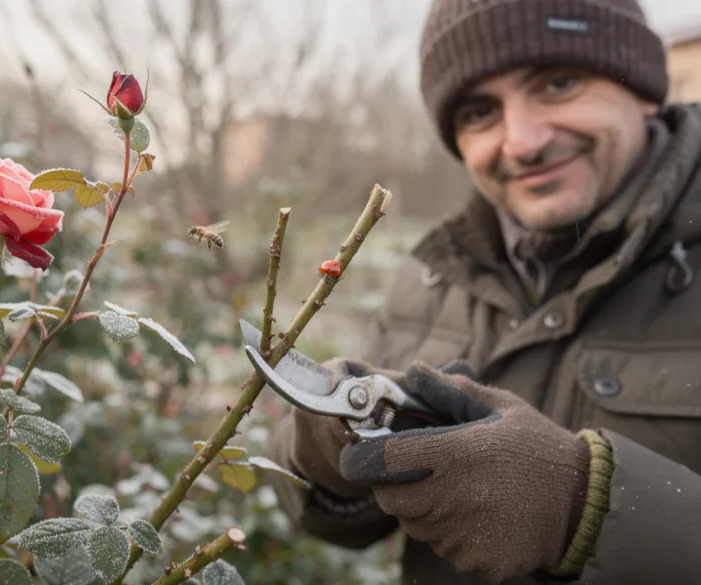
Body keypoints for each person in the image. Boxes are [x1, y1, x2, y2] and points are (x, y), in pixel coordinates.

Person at [265, 0, 701, 583]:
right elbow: (341, 524)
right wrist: (322, 458)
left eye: (559, 83)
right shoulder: (432, 277)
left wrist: (584, 509)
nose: (521, 142)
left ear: (645, 86)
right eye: (478, 111)